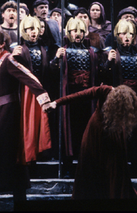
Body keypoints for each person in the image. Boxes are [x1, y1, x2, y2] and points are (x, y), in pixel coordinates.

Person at [0, 31, 53, 212]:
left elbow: (29, 77)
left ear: (2, 44)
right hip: (0, 112)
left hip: (9, 114)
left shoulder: (8, 60)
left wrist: (43, 98)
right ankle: (21, 200)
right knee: (16, 159)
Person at [48, 85, 137, 199]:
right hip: (95, 135)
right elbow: (80, 95)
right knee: (91, 167)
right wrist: (56, 102)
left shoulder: (129, 102)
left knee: (116, 169)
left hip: (114, 135)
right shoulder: (104, 91)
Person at [50, 17, 104, 176]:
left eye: (81, 31)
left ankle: (86, 164)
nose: (78, 34)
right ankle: (67, 165)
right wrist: (56, 59)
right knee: (68, 131)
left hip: (87, 99)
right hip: (69, 97)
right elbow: (52, 74)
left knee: (85, 130)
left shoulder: (91, 52)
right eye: (74, 31)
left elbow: (98, 72)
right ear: (69, 32)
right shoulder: (63, 50)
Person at [106, 19, 137, 176]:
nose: (127, 37)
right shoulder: (112, 53)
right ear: (118, 35)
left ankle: (136, 165)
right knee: (119, 132)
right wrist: (108, 63)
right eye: (124, 33)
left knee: (136, 131)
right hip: (119, 99)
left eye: (130, 34)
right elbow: (103, 76)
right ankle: (120, 166)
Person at [11, 15, 56, 161]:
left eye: (36, 28)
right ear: (24, 31)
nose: (34, 32)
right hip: (25, 91)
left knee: (41, 122)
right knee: (27, 123)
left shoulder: (44, 48)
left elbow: (48, 70)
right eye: (30, 29)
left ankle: (42, 151)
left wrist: (56, 60)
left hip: (41, 90)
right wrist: (14, 57)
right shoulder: (18, 49)